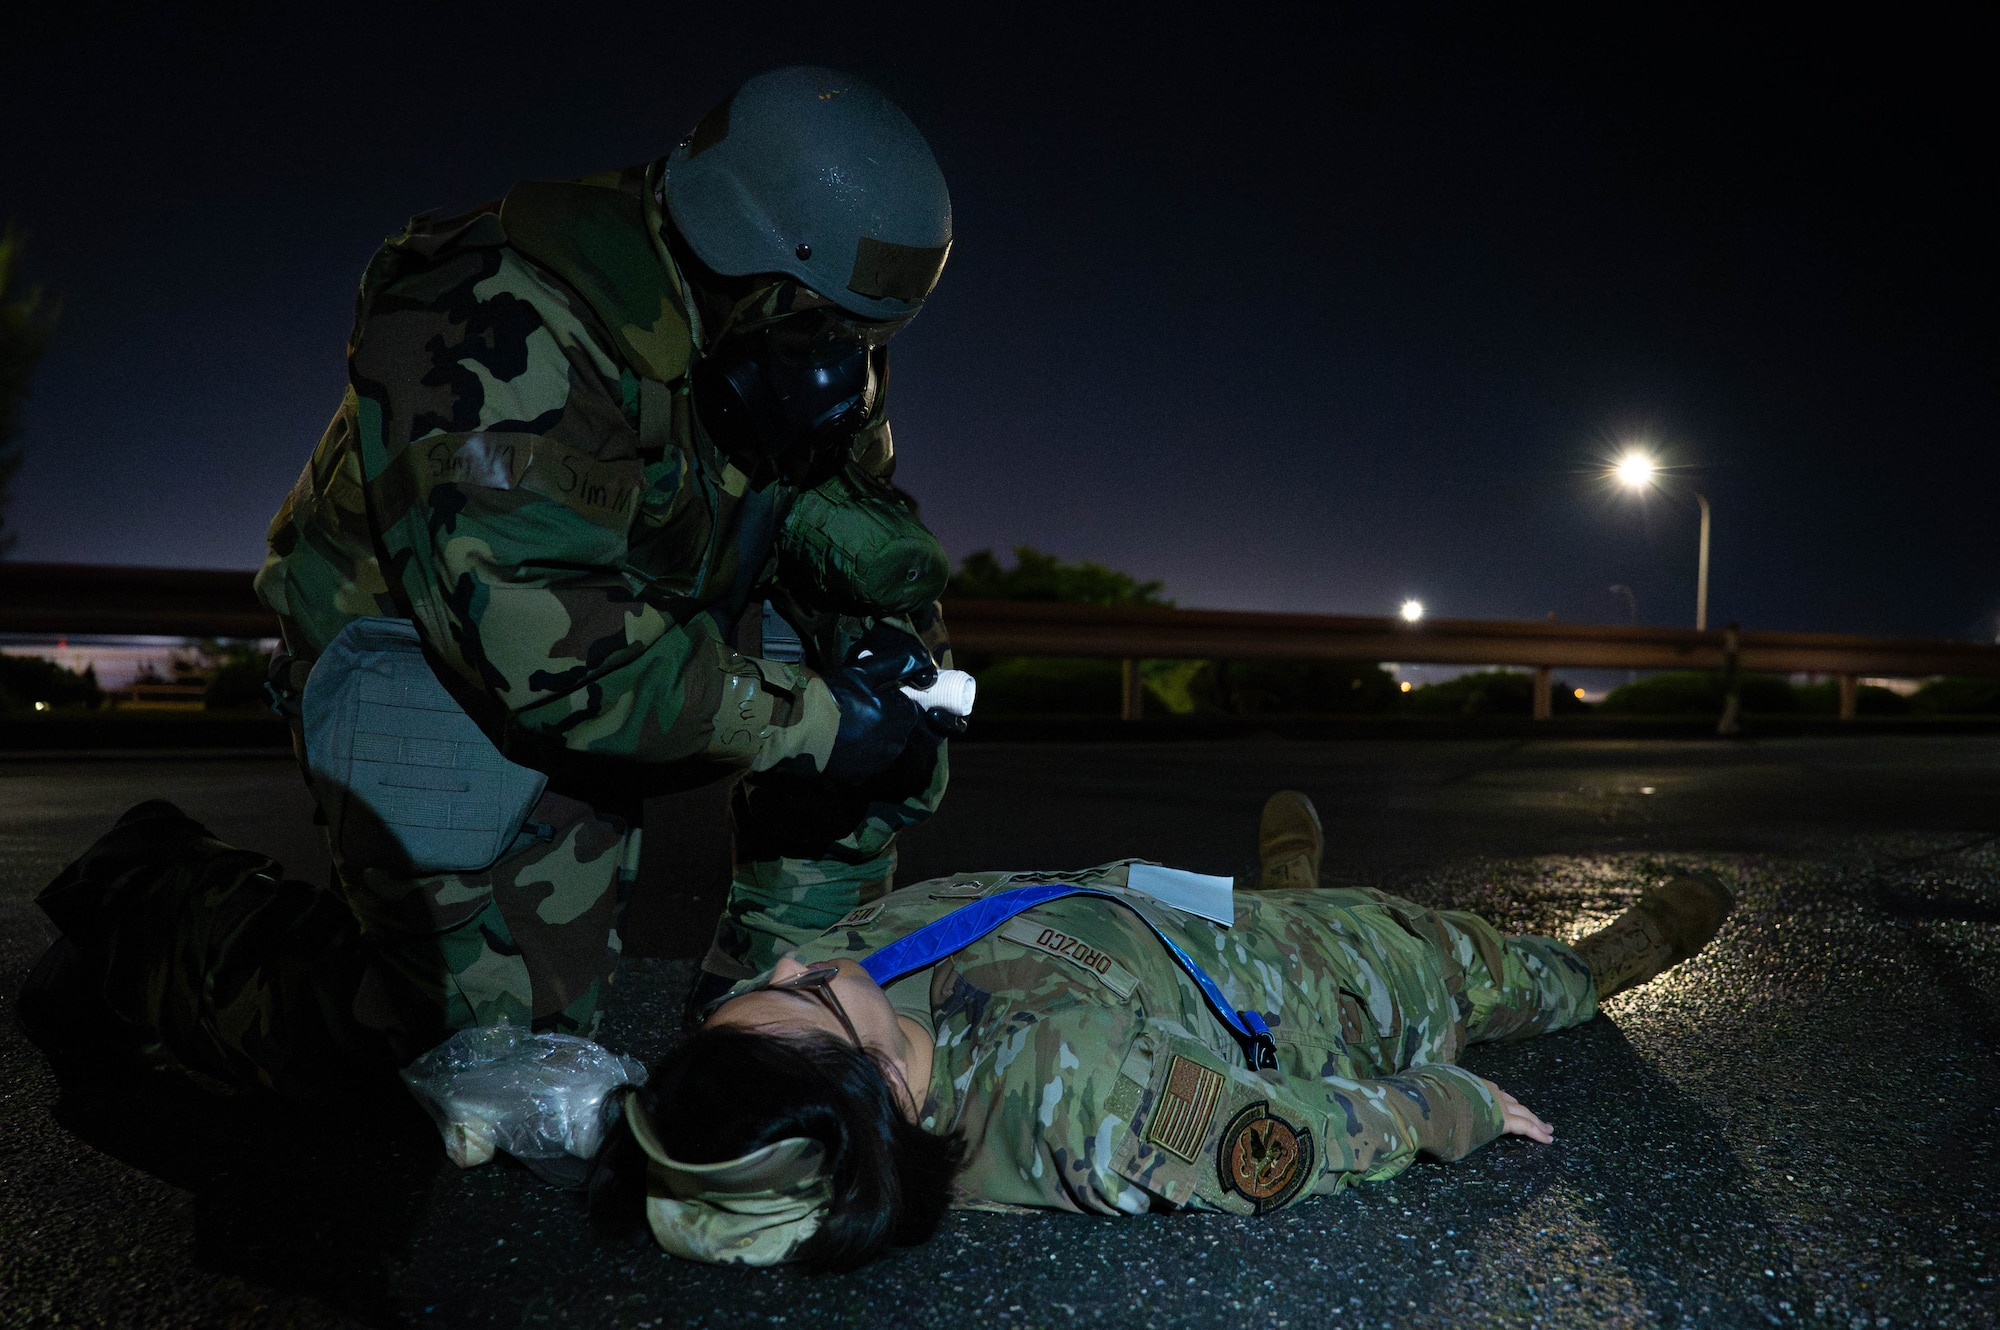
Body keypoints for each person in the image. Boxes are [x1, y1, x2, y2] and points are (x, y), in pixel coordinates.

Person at [241, 65, 962, 1067]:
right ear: (741, 257)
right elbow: (550, 654)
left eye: (870, 338)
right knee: (481, 1059)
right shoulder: (496, 316)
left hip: (630, 620)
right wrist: (818, 720)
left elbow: (866, 526)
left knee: (888, 672)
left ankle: (788, 1010)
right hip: (444, 658)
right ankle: (169, 931)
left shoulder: (786, 324)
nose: (855, 373)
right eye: (822, 328)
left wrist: (892, 678)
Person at [589, 792, 1734, 1271]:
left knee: (1268, 896)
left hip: (1184, 920)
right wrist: (1451, 1106)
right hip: (1328, 982)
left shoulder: (869, 996)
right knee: (1489, 968)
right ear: (873, 1082)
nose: (791, 962)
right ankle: (1596, 963)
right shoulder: (1085, 1110)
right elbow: (1282, 1141)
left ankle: (1283, 880)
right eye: (799, 994)